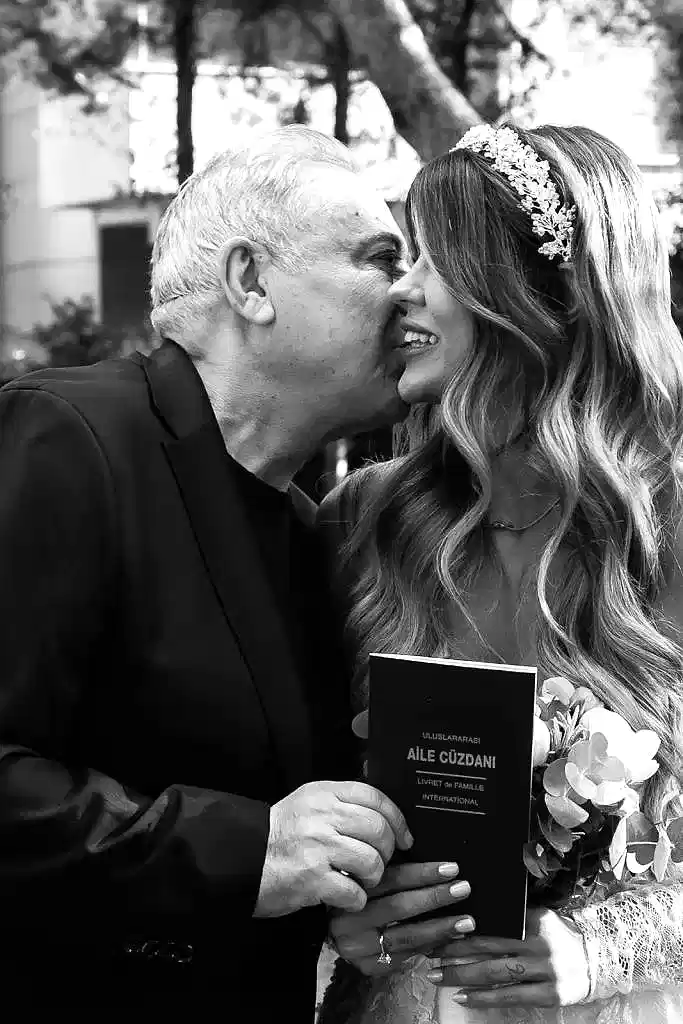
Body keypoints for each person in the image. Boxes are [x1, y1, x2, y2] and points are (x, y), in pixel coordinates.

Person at [0, 126, 475, 1016]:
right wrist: (245, 849)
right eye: (380, 258)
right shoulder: (68, 433)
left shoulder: (312, 532)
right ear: (250, 281)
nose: (409, 292)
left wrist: (356, 907)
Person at [316, 123, 683, 1024]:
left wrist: (604, 949)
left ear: (530, 294)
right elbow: (286, 797)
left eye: (432, 260)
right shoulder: (363, 520)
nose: (399, 288)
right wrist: (340, 913)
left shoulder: (667, 522)